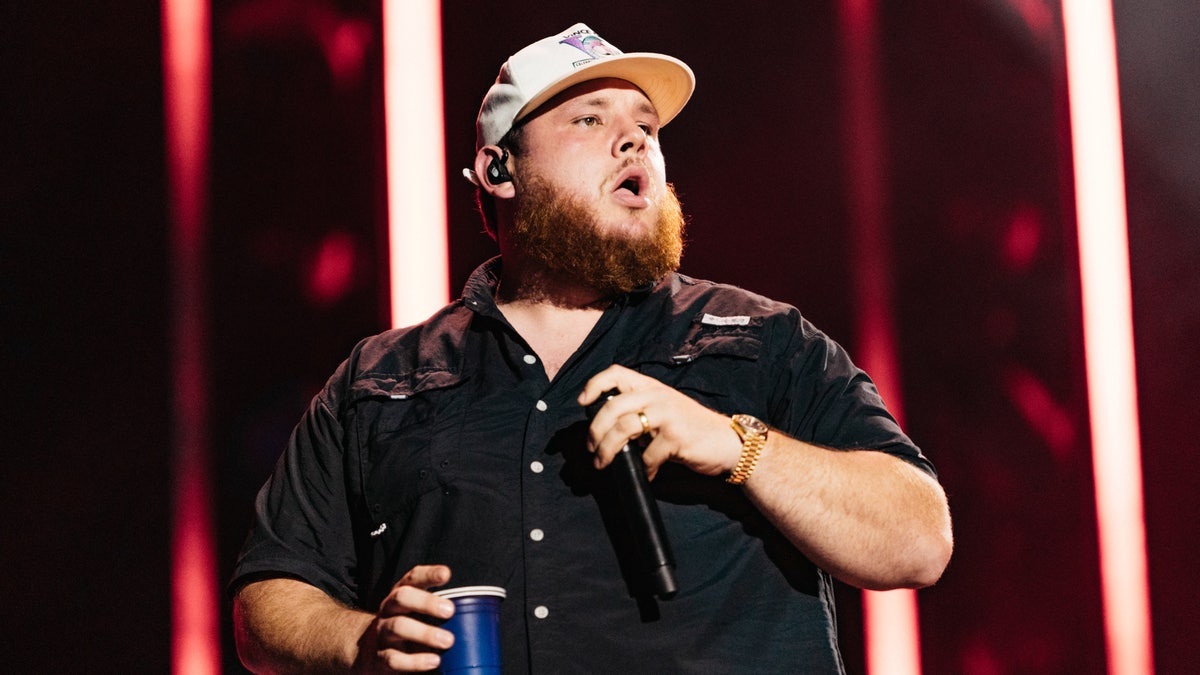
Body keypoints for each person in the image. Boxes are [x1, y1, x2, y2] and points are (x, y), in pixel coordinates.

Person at [231, 22, 953, 674]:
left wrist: (740, 446)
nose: (636, 139)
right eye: (589, 118)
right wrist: (360, 639)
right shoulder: (380, 379)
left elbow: (920, 538)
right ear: (497, 170)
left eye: (646, 126)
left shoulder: (762, 341)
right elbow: (269, 599)